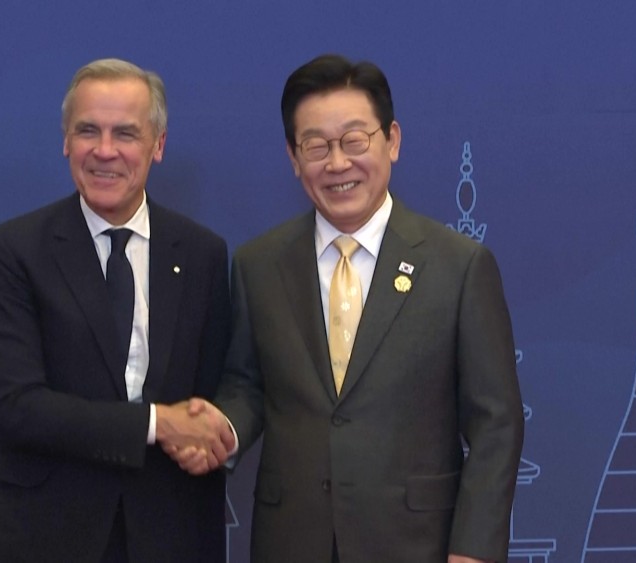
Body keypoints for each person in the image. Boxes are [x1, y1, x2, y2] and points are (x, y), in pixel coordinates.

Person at [173, 55, 524, 562]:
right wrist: (222, 430)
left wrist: (474, 551)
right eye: (316, 146)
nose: (337, 164)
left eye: (354, 141)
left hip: (416, 545)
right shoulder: (258, 264)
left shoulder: (459, 266)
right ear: (294, 158)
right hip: (292, 542)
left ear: (392, 141)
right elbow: (248, 385)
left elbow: (496, 425)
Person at [0, 58, 233, 563]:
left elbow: (213, 390)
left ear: (158, 145)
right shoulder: (14, 250)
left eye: (125, 133)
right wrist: (157, 424)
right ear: (66, 141)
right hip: (38, 534)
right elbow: (18, 406)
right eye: (88, 131)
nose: (105, 151)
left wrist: (213, 433)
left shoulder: (202, 253)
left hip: (166, 533)